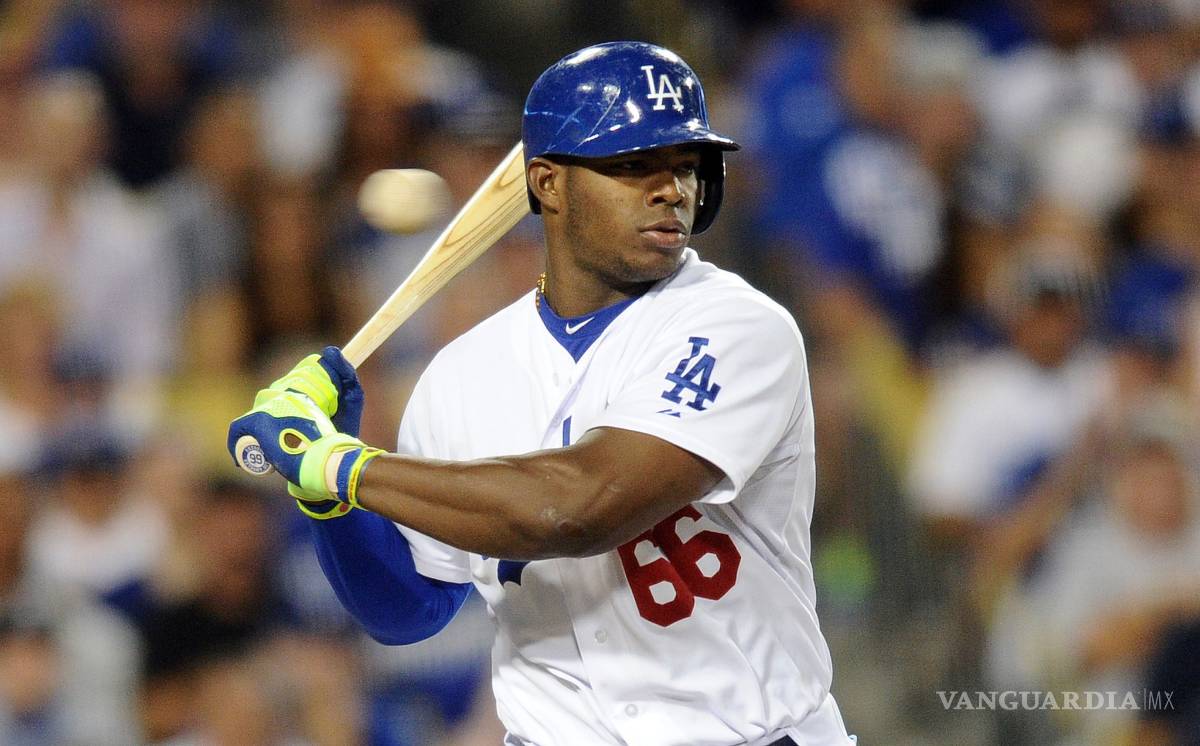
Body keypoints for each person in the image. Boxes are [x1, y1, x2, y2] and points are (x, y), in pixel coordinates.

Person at [228, 41, 854, 746]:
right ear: (548, 185)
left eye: (684, 165)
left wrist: (342, 466)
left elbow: (576, 506)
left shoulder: (738, 329)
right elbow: (408, 612)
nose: (669, 188)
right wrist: (327, 501)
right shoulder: (461, 373)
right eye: (630, 165)